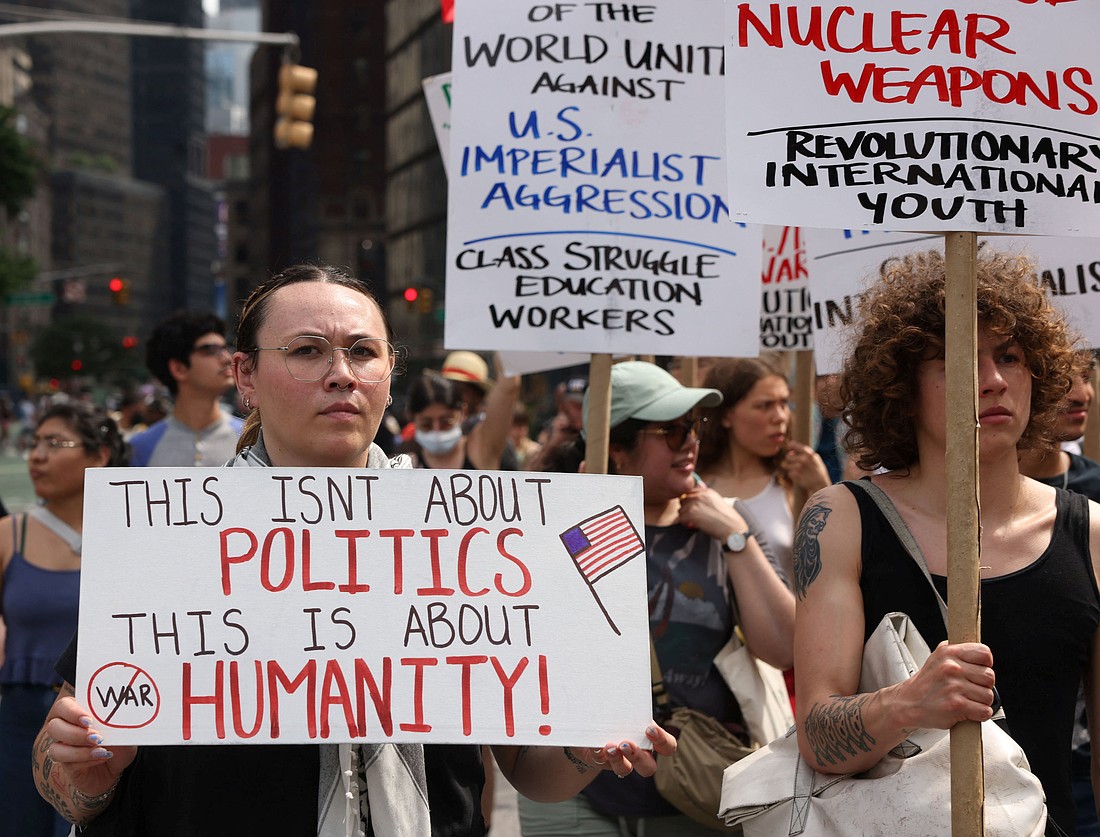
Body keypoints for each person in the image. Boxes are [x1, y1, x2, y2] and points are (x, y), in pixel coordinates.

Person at [32, 264, 674, 837]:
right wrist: (84, 774)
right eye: (307, 351)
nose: (341, 373)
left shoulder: (468, 536)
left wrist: (588, 750)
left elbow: (531, 775)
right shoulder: (171, 537)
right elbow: (64, 783)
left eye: (362, 351)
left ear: (390, 373)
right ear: (245, 376)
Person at [793, 249, 1099, 837]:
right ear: (903, 389)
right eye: (956, 359)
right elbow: (818, 736)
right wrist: (908, 703)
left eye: (1010, 356)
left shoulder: (1089, 534)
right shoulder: (843, 518)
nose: (992, 380)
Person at [520, 361, 795, 836]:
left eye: (694, 426)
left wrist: (737, 540)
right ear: (619, 449)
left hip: (697, 792)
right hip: (583, 798)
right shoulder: (567, 524)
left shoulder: (728, 522)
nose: (691, 441)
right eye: (671, 431)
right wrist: (579, 518)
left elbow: (785, 647)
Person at [0, 402, 128, 837]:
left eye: (55, 443)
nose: (37, 455)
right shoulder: (9, 533)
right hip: (18, 722)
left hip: (103, 726)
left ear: (99, 456)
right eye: (33, 444)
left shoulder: (133, 535)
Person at [1019, 350, 1100, 837]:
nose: (1083, 394)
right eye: (1065, 379)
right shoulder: (954, 498)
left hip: (1081, 772)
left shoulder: (1093, 495)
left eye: (1087, 378)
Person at [696, 356, 831, 584]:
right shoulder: (694, 485)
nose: (780, 417)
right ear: (727, 415)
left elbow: (831, 564)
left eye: (784, 403)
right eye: (764, 405)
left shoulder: (795, 483)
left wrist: (822, 490)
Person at [128, 310, 243, 467]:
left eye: (225, 348)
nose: (226, 358)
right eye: (211, 350)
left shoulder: (251, 439)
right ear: (179, 368)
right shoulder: (140, 448)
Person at [400, 371, 518, 471]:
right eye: (426, 424)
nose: (437, 430)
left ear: (463, 412)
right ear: (412, 418)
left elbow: (509, 387)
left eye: (446, 422)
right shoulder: (405, 466)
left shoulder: (481, 450)